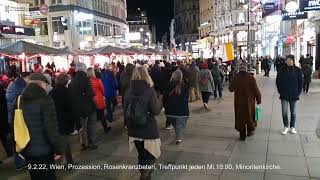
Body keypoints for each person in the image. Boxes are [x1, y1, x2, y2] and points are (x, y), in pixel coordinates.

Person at [15, 73, 64, 180]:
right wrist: (59, 149)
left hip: (27, 149)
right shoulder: (46, 100)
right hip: (44, 151)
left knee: (35, 176)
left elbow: (14, 125)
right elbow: (51, 129)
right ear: (41, 84)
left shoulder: (19, 100)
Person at [124, 66, 162, 180]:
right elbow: (156, 111)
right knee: (153, 154)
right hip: (148, 129)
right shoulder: (150, 90)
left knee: (141, 154)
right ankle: (144, 175)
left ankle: (145, 176)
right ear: (146, 75)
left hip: (133, 129)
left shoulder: (128, 91)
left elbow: (125, 111)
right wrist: (160, 102)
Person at [229, 64, 262, 141]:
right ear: (246, 69)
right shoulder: (251, 78)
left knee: (240, 117)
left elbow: (230, 89)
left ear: (239, 70)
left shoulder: (236, 78)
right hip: (249, 102)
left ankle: (242, 135)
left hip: (239, 102)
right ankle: (250, 131)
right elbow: (256, 90)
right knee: (250, 116)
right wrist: (259, 100)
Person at [70, 63, 97, 150]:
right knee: (91, 124)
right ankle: (91, 142)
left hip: (77, 107)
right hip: (88, 106)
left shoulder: (72, 79)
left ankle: (83, 143)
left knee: (82, 127)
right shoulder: (86, 79)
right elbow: (91, 93)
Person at [49, 73, 75, 165]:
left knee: (60, 143)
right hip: (65, 121)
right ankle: (67, 163)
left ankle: (68, 162)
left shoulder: (52, 92)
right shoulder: (67, 92)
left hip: (55, 121)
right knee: (65, 144)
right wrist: (75, 123)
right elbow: (71, 108)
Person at [6, 71, 29, 171]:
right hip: (19, 118)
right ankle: (22, 161)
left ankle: (19, 163)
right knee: (23, 139)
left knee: (17, 140)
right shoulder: (21, 87)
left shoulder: (11, 86)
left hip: (12, 118)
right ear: (26, 77)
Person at [276, 55, 303, 135]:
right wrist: (280, 91)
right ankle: (286, 126)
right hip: (284, 94)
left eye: (290, 60)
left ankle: (292, 127)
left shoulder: (298, 70)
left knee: (293, 112)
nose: (289, 61)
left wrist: (298, 92)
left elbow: (301, 82)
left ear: (293, 61)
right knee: (284, 112)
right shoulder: (282, 70)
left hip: (294, 94)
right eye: (287, 60)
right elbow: (278, 81)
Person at [163, 70, 189, 145]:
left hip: (170, 112)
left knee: (175, 124)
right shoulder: (185, 86)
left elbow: (164, 98)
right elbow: (186, 98)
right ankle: (179, 138)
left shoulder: (169, 85)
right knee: (180, 125)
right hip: (182, 112)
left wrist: (166, 107)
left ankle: (178, 135)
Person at [87, 67, 110, 133]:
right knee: (102, 115)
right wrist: (103, 96)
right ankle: (105, 129)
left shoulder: (86, 81)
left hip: (90, 100)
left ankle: (92, 132)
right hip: (98, 99)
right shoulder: (98, 80)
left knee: (92, 116)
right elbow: (103, 90)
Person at [120, 63, 135, 128]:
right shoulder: (134, 75)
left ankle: (126, 123)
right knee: (133, 109)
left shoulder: (123, 75)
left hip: (125, 94)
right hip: (133, 94)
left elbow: (121, 85)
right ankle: (132, 122)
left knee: (125, 109)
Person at [0, 81, 11, 159]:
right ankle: (8, 151)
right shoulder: (3, 91)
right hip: (3, 115)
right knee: (4, 135)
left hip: (2, 115)